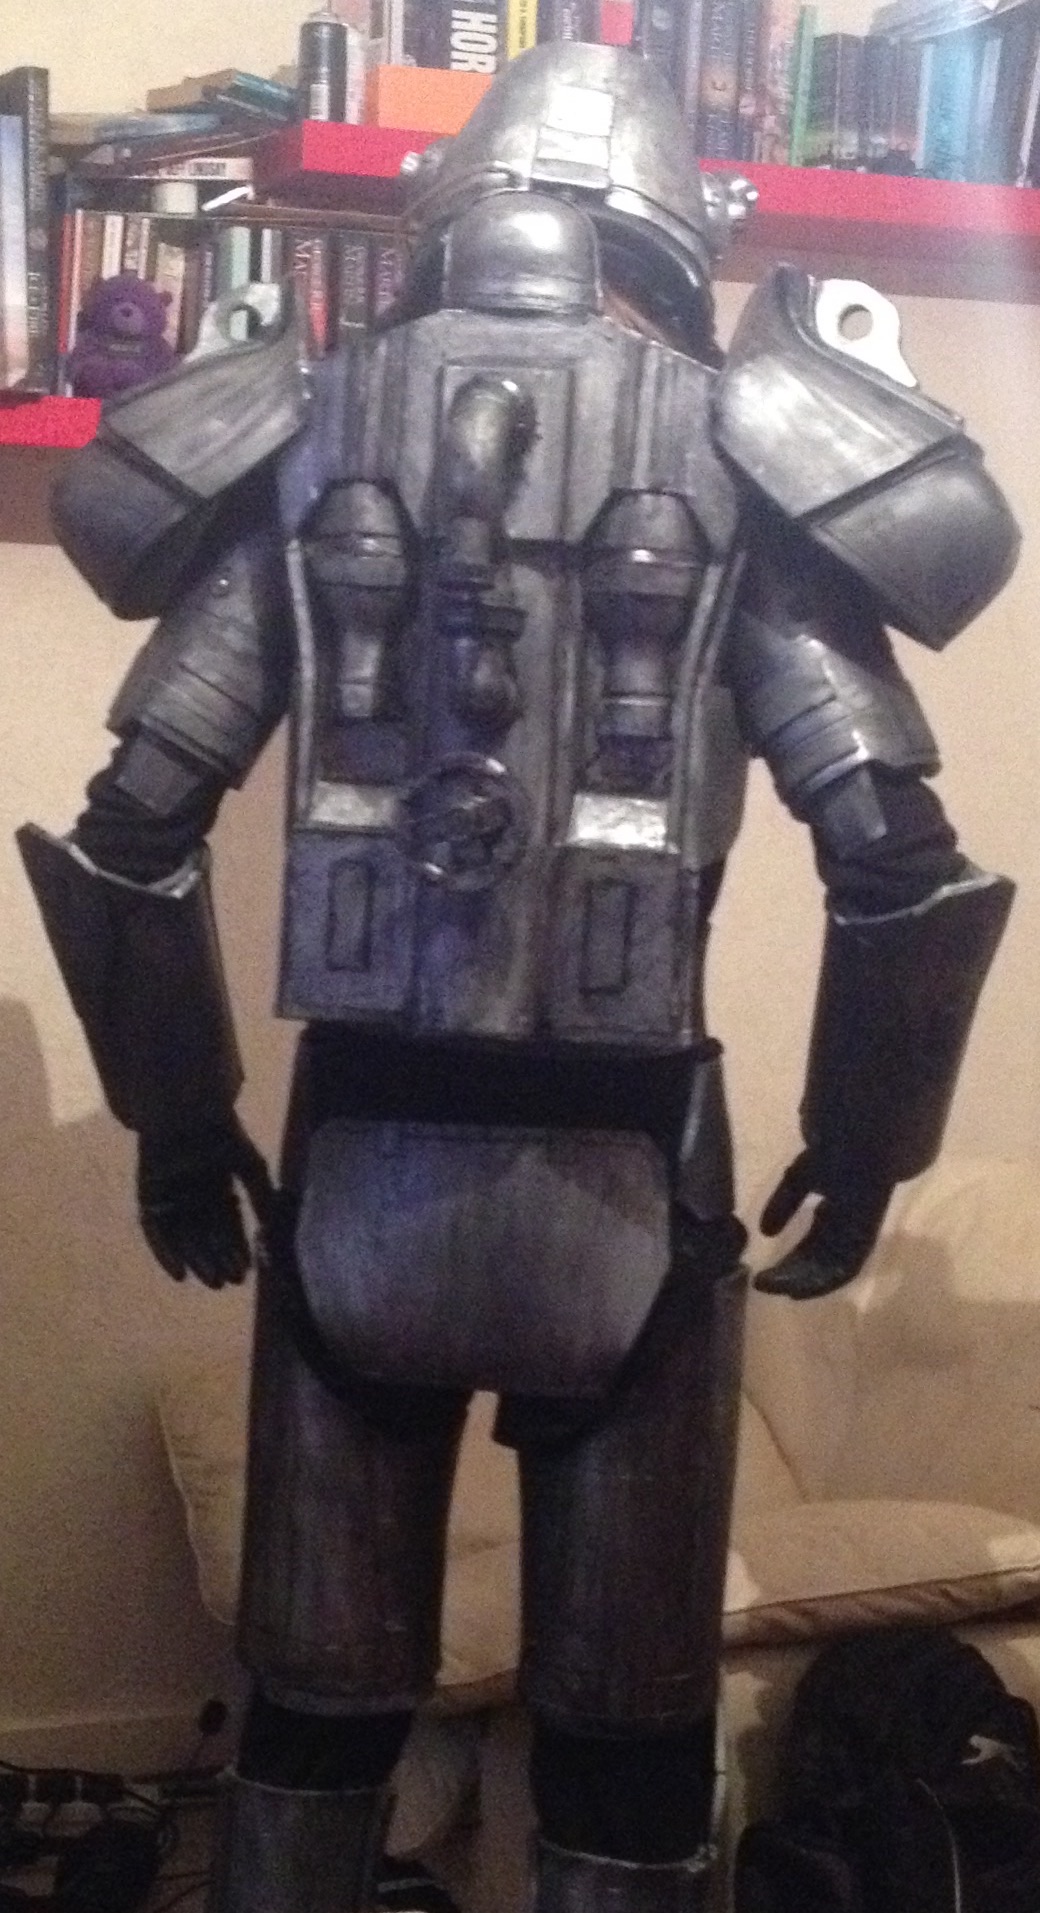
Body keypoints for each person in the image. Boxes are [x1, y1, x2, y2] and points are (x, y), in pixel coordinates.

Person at [18, 41, 1018, 1913]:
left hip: (356, 1174)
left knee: (317, 1715)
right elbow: (896, 859)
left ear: (448, 210)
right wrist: (869, 1141)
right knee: (627, 1737)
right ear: (668, 229)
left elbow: (133, 827)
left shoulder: (313, 429)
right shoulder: (741, 452)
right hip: (639, 1175)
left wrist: (177, 1121)